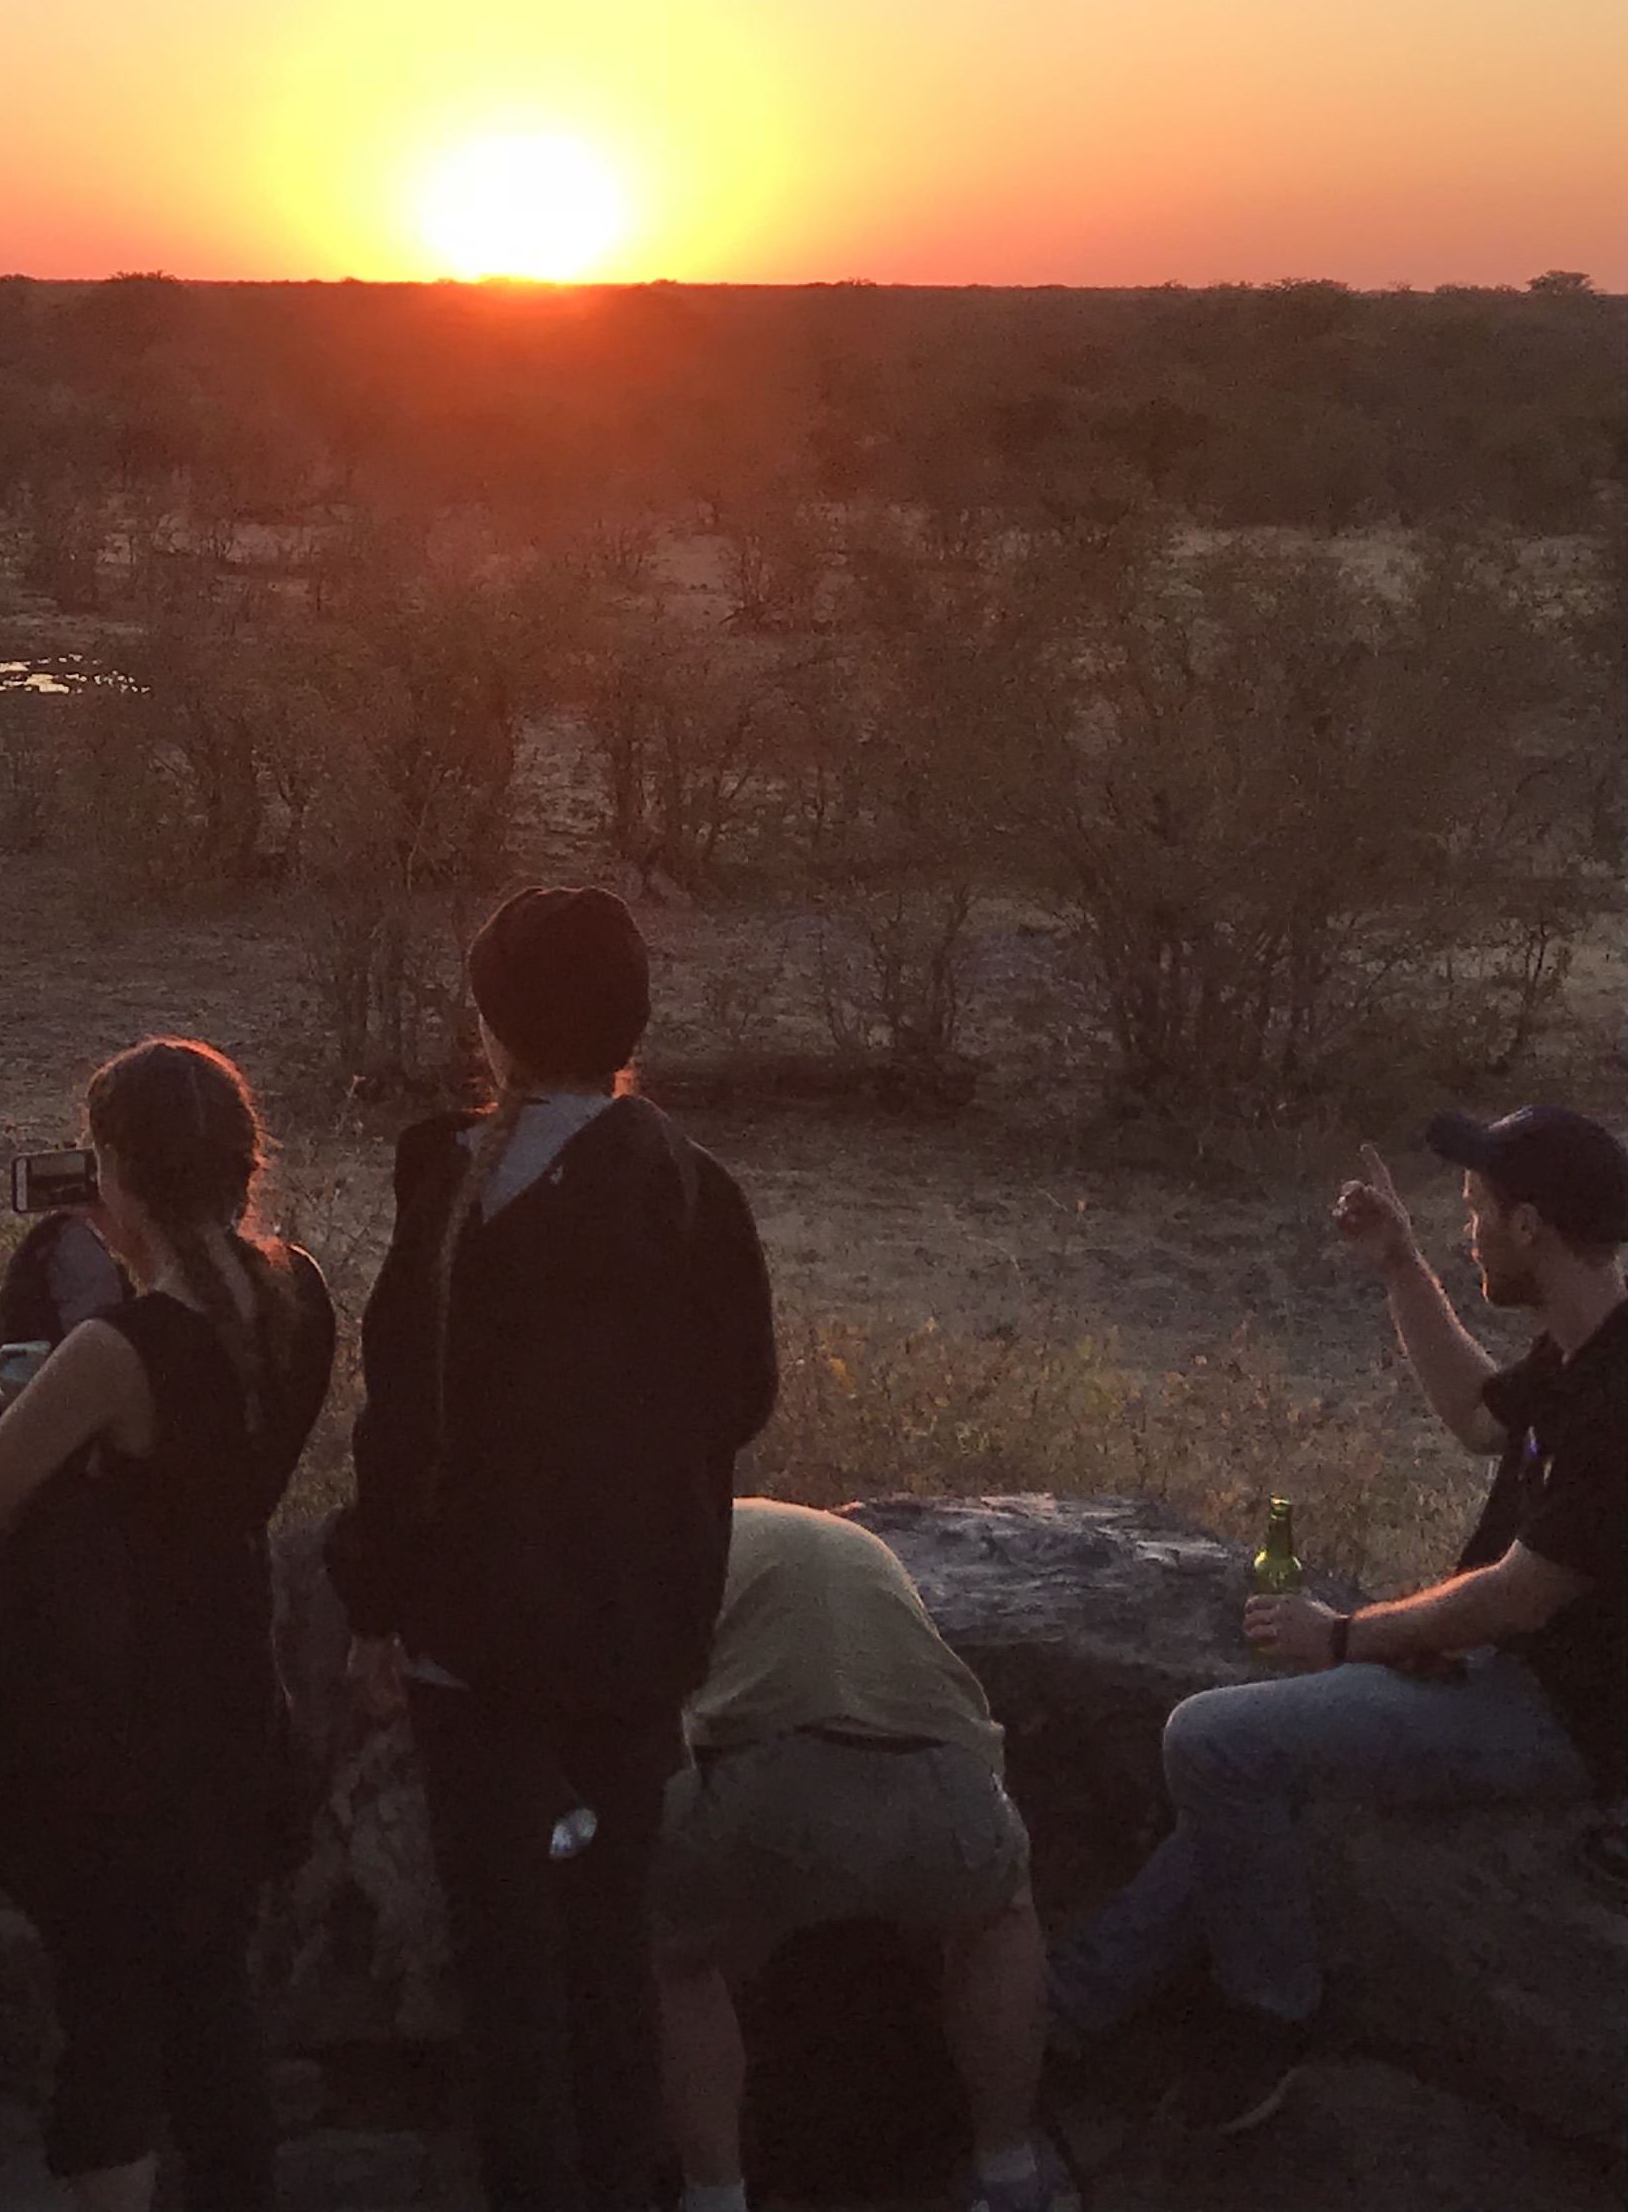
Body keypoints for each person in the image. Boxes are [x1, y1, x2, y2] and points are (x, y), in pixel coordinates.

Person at [320, 883, 777, 2212]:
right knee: (611, 1957)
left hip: (480, 1656)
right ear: (635, 1019)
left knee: (509, 1977)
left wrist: (372, 1603)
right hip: (636, 1649)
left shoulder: (454, 1181)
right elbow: (743, 1400)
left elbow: (404, 1421)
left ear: (493, 1025)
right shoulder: (695, 1188)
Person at [1046, 1106, 1625, 2134]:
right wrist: (1399, 1264)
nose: (1468, 1231)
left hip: (1555, 1717)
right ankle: (1066, 2013)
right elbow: (1478, 1416)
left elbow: (1521, 1595)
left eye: (1476, 1211)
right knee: (1253, 1768)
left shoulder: (1620, 1397)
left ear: (1530, 1225)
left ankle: (1269, 2016)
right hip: (1497, 1664)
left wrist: (1347, 1637)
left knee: (1212, 1742)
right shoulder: (1581, 1353)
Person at [0, 1038, 338, 2212]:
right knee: (214, 2010)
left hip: (114, 1736)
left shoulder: (116, 1351)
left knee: (106, 2031)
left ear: (114, 1171)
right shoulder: (301, 1301)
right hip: (240, 1701)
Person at [649, 1501, 1073, 2212]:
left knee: (676, 1954)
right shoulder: (840, 1539)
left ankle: (714, 2193)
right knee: (1001, 1914)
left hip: (768, 1775)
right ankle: (1009, 2172)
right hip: (943, 1772)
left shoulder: (664, 1547)